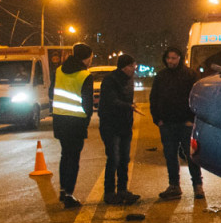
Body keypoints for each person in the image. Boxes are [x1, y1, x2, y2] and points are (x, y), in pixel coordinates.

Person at [149, 45, 204, 200]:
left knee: (191, 156)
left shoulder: (189, 75)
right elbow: (154, 98)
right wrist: (158, 119)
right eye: (168, 58)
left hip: (185, 124)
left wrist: (191, 119)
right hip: (167, 123)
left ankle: (198, 186)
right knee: (170, 155)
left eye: (173, 58)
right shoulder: (161, 76)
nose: (170, 61)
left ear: (179, 58)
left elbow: (196, 97)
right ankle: (174, 185)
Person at [51, 43, 94, 208]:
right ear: (86, 57)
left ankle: (63, 190)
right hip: (76, 122)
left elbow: (51, 93)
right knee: (73, 158)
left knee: (65, 155)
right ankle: (69, 195)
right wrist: (86, 120)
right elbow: (87, 103)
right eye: (90, 57)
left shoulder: (59, 71)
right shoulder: (84, 75)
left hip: (60, 120)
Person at [98, 54, 141, 205]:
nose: (134, 69)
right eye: (132, 66)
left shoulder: (130, 79)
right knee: (113, 158)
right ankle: (109, 192)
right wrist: (128, 106)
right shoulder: (110, 80)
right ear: (124, 67)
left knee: (124, 158)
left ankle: (123, 190)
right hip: (110, 125)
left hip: (125, 124)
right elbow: (111, 100)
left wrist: (129, 109)